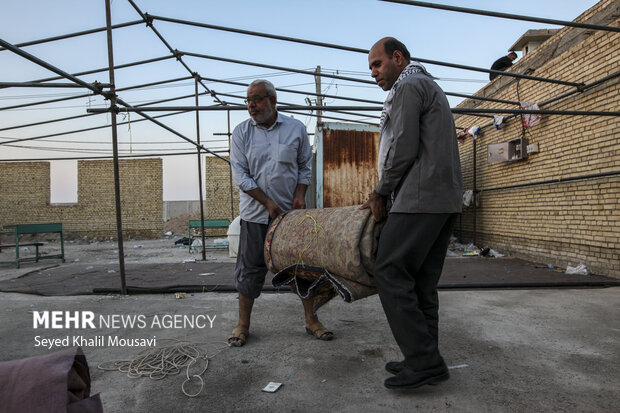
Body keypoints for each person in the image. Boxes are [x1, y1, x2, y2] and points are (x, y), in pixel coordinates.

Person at [361, 37, 462, 389]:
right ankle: (424, 357)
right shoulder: (430, 86)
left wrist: (380, 192)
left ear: (398, 58)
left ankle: (423, 360)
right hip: (444, 200)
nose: (373, 73)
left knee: (388, 269)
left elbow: (402, 148)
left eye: (377, 64)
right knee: (420, 282)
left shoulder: (408, 87)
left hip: (419, 198)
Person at [228, 79, 333, 347]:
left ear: (273, 100)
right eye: (248, 100)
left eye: (257, 99)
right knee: (250, 270)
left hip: (288, 217)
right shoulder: (241, 133)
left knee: (301, 268)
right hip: (254, 216)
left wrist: (299, 196)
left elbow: (303, 167)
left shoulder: (295, 129)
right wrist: (267, 203)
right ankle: (243, 325)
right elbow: (240, 176)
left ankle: (311, 321)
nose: (251, 105)